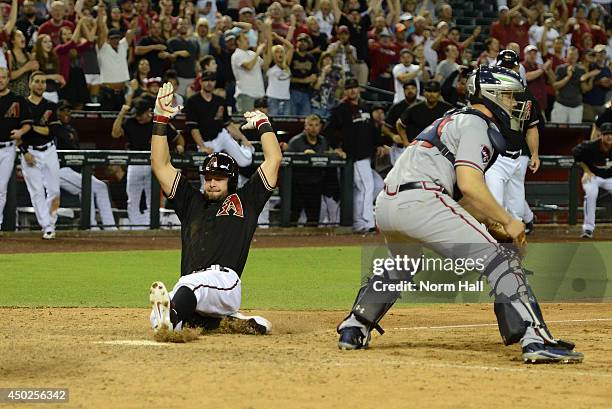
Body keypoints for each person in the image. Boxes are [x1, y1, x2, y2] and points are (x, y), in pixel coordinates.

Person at [336, 65, 584, 364]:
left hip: (389, 203)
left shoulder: (452, 119)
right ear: (491, 95)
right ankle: (536, 338)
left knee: (403, 263)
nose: (516, 104)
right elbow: (469, 183)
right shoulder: (476, 123)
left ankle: (355, 326)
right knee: (500, 259)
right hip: (422, 199)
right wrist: (507, 219)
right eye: (510, 97)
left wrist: (490, 221)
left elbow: (461, 199)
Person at [148, 82, 282, 335]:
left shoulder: (247, 200)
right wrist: (160, 120)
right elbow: (160, 164)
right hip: (195, 287)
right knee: (170, 304)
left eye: (218, 178)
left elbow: (274, 160)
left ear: (230, 181)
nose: (211, 182)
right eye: (208, 177)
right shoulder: (191, 202)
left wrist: (264, 126)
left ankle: (174, 322)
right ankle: (225, 322)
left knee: (183, 292)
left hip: (225, 281)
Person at [486, 50, 541, 235]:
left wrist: (534, 153)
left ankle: (514, 258)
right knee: (495, 207)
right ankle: (493, 253)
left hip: (518, 158)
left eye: (511, 67)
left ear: (517, 68)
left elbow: (532, 128)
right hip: (495, 159)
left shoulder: (526, 96)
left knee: (517, 212)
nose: (507, 70)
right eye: (504, 67)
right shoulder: (486, 92)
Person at [324, 78, 384, 233]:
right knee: (366, 187)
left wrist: (378, 144)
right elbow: (328, 130)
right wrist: (337, 147)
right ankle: (366, 222)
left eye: (355, 87)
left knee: (375, 186)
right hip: (355, 155)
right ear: (345, 91)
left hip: (366, 155)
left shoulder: (365, 106)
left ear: (359, 89)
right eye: (349, 88)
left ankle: (358, 221)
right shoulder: (341, 109)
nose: (352, 90)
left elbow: (371, 129)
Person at [111, 98, 181, 229]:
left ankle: (153, 227)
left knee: (152, 199)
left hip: (153, 164)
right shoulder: (131, 122)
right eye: (136, 114)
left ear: (148, 111)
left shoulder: (158, 121)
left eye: (140, 114)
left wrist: (180, 147)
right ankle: (136, 228)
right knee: (132, 199)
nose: (138, 117)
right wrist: (121, 114)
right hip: (135, 163)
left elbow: (178, 138)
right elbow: (115, 134)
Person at [184, 71, 254, 173]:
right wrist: (203, 147)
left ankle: (247, 149)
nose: (209, 83)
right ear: (201, 82)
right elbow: (193, 128)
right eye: (206, 80)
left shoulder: (220, 100)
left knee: (244, 161)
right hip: (205, 140)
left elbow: (228, 124)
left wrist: (244, 139)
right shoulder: (193, 101)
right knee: (207, 173)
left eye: (212, 80)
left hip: (221, 135)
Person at [19, 71, 61, 239]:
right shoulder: (22, 105)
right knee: (36, 191)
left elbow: (53, 130)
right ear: (30, 84)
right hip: (29, 151)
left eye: (43, 82)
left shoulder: (50, 105)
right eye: (36, 81)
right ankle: (47, 226)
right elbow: (15, 133)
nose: (40, 85)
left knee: (54, 190)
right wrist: (24, 151)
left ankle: (50, 221)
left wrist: (31, 127)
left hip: (49, 149)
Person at [0, 67, 32, 230]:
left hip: (7, 148)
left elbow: (27, 124)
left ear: (8, 80)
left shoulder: (17, 99)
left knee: (1, 188)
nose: (1, 80)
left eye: (3, 77)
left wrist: (21, 131)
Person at [285, 114, 329, 224]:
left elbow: (327, 155)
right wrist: (301, 155)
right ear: (305, 127)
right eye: (310, 125)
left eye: (316, 125)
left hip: (316, 183)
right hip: (298, 184)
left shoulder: (323, 141)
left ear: (320, 126)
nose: (314, 128)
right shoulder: (296, 142)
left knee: (314, 219)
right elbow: (286, 161)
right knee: (293, 217)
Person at [572, 122, 612, 239]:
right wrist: (586, 170)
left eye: (611, 134)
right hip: (593, 176)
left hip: (610, 177)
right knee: (591, 194)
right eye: (606, 134)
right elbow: (575, 153)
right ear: (600, 135)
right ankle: (588, 229)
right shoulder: (590, 146)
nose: (609, 136)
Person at [551, 46, 589, 124]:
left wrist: (585, 78)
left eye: (575, 54)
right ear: (566, 55)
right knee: (558, 132)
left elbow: (584, 90)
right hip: (561, 105)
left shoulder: (582, 70)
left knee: (574, 133)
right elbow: (555, 86)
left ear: (578, 56)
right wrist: (568, 77)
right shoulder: (560, 68)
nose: (573, 56)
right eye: (571, 54)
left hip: (576, 106)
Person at [386, 79, 418, 164]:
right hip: (400, 148)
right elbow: (384, 127)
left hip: (419, 147)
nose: (410, 91)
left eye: (412, 88)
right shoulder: (396, 108)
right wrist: (393, 136)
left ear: (417, 90)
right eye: (407, 89)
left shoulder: (422, 106)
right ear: (403, 91)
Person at [167, 18, 200, 97]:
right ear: (177, 26)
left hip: (192, 78)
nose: (183, 26)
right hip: (178, 78)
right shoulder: (172, 41)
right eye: (181, 24)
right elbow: (168, 58)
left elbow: (197, 60)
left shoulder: (195, 42)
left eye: (186, 24)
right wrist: (177, 53)